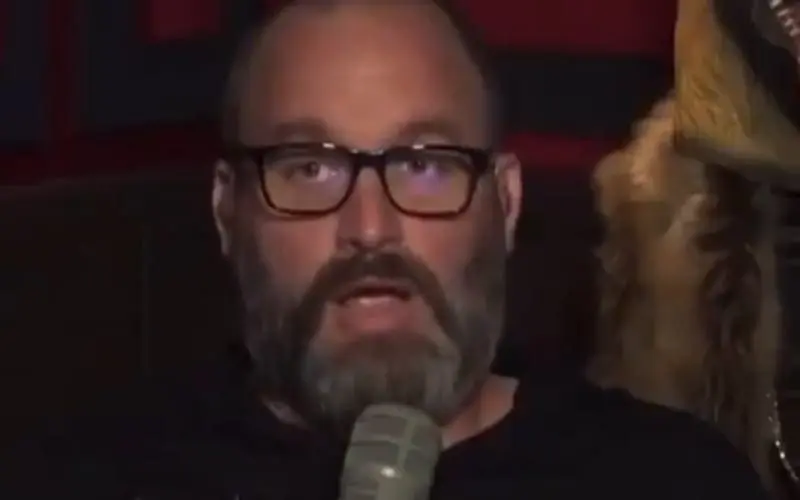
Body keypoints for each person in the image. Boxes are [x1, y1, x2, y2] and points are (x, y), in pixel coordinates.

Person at [2, 1, 771, 499]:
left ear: (505, 203)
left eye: (424, 165)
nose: (370, 228)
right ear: (226, 211)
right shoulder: (83, 480)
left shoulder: (670, 482)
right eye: (310, 168)